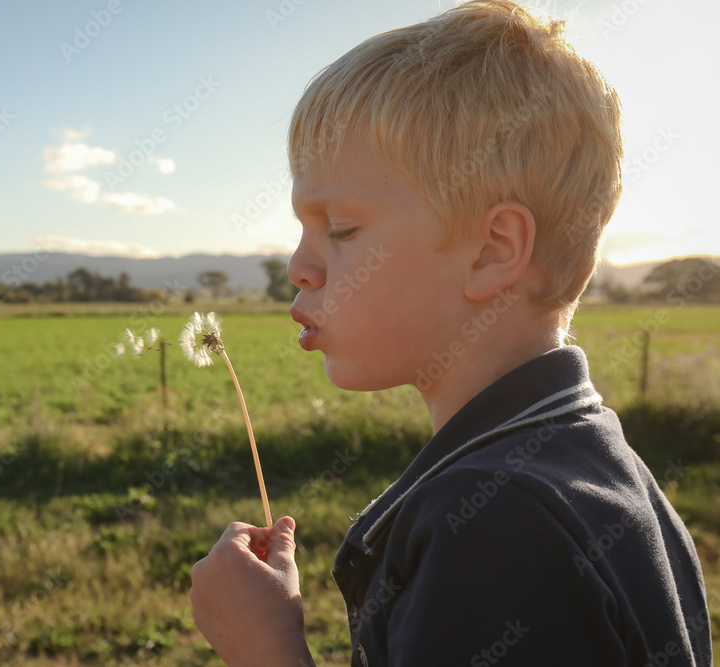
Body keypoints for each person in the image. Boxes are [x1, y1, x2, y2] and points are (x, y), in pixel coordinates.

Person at [188, 1, 714, 665]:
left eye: (342, 230)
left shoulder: (499, 527)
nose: (299, 266)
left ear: (493, 250)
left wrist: (265, 651)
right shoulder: (597, 465)